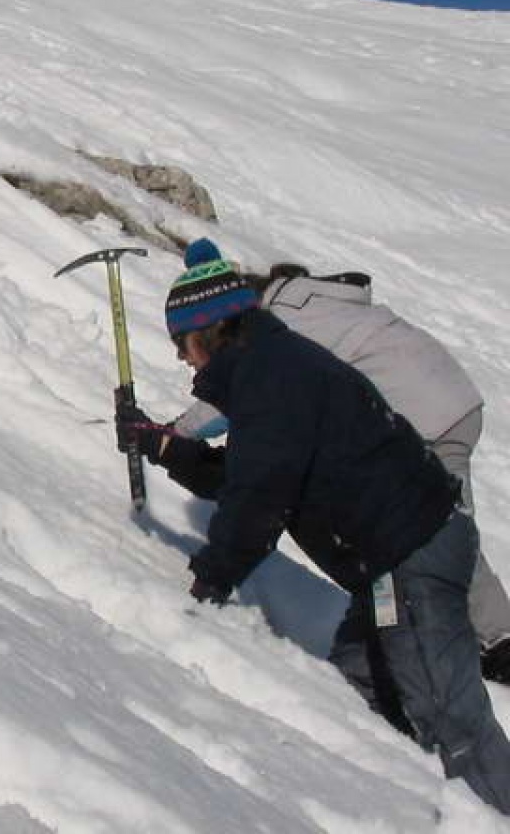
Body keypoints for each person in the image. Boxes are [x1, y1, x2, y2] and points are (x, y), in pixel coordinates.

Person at [118, 240, 510, 815]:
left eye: (181, 344)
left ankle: (490, 809)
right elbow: (253, 473)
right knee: (361, 683)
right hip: (399, 557)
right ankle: (426, 810)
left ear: (205, 333)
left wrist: (209, 582)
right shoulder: (272, 364)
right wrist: (165, 448)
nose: (181, 359)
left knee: (452, 719)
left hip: (410, 559)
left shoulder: (270, 380)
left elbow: (259, 499)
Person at [170, 248, 510, 677]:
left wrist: (175, 435)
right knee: (444, 528)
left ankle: (488, 641)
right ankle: (482, 634)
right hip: (454, 399)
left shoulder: (284, 327)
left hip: (422, 417)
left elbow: (247, 395)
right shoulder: (319, 302)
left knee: (431, 532)